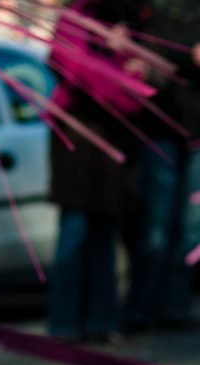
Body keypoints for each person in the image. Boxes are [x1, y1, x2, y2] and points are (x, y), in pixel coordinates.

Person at [122, 0, 200, 332]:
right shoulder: (155, 10)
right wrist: (191, 55)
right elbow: (147, 49)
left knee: (189, 227)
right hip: (163, 127)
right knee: (157, 225)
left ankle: (175, 304)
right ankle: (143, 305)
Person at [45, 0, 150, 344]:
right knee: (75, 233)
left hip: (111, 142)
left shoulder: (122, 24)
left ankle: (100, 320)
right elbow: (78, 72)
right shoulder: (74, 20)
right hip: (76, 141)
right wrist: (119, 70)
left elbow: (136, 97)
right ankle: (63, 324)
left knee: (104, 235)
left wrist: (120, 63)